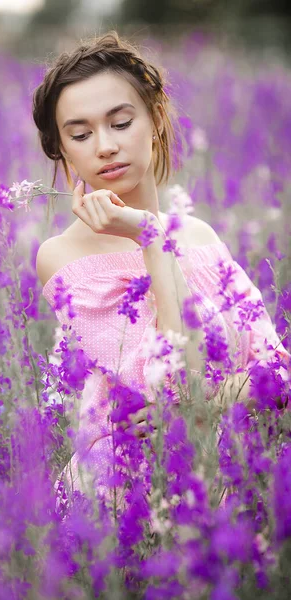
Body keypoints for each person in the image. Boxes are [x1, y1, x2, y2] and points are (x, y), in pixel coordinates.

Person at [32, 30, 290, 512]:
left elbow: (281, 378)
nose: (105, 146)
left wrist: (206, 401)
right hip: (127, 510)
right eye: (81, 134)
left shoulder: (201, 238)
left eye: (121, 122)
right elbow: (174, 383)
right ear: (62, 150)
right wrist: (150, 239)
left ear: (154, 119)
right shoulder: (64, 259)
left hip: (233, 497)